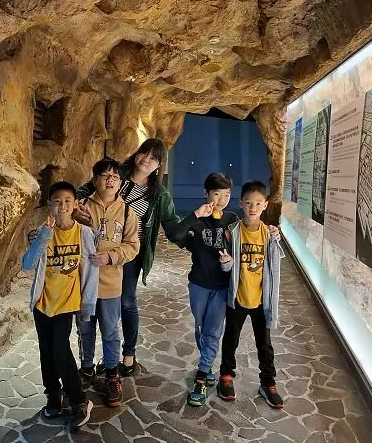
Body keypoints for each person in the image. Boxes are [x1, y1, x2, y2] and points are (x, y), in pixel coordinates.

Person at [74, 138, 182, 377]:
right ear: (137, 153)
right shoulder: (114, 173)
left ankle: (128, 354)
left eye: (154, 158)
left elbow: (173, 226)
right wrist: (76, 208)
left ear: (159, 165)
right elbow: (83, 191)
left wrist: (196, 226)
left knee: (126, 302)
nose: (146, 160)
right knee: (91, 300)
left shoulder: (159, 194)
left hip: (130, 251)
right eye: (144, 153)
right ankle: (92, 361)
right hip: (95, 247)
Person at [21, 181, 98, 430]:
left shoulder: (83, 233)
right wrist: (43, 237)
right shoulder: (42, 232)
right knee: (46, 351)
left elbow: (90, 270)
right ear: (49, 205)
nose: (62, 206)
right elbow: (27, 264)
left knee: (60, 351)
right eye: (56, 201)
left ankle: (79, 400)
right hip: (43, 303)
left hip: (67, 302)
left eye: (67, 201)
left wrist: (88, 303)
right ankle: (53, 395)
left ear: (75, 204)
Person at [169, 172, 238, 406]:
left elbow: (246, 240)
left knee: (212, 331)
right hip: (198, 284)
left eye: (226, 195)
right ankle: (206, 364)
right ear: (206, 193)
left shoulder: (232, 220)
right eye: (217, 194)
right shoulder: (197, 220)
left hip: (222, 286)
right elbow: (175, 235)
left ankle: (202, 372)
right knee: (200, 327)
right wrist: (196, 215)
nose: (222, 200)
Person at [76, 158, 140, 408]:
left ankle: (112, 374)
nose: (110, 180)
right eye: (104, 175)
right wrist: (76, 219)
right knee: (84, 329)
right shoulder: (81, 207)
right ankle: (86, 368)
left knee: (111, 330)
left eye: (115, 176)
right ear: (95, 181)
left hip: (111, 284)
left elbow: (133, 246)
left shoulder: (127, 212)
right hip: (83, 283)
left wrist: (111, 256)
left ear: (120, 182)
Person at [217, 181, 284, 409]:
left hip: (261, 301)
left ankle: (268, 383)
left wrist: (276, 236)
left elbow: (275, 265)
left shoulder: (269, 235)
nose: (252, 208)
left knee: (264, 345)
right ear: (241, 203)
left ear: (265, 205)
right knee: (231, 339)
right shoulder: (233, 232)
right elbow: (227, 267)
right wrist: (226, 263)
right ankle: (226, 376)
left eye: (257, 203)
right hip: (237, 297)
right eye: (248, 203)